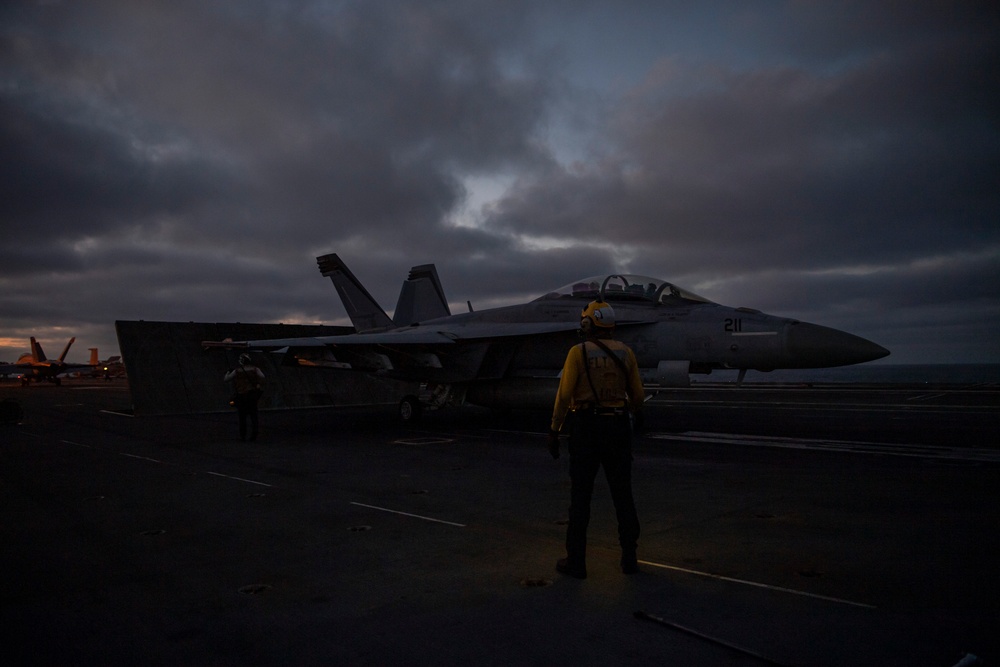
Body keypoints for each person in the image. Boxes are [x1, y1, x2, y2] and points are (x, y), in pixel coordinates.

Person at [548, 300, 645, 579]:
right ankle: (630, 557)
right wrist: (635, 412)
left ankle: (576, 562)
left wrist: (554, 430)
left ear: (587, 324)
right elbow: (637, 396)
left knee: (580, 498)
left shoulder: (577, 352)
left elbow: (564, 396)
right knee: (623, 494)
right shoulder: (626, 353)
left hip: (586, 428)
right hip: (617, 428)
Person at [224, 353, 265, 441]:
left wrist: (228, 372)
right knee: (254, 415)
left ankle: (243, 435)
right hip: (252, 395)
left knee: (242, 417)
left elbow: (226, 379)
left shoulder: (237, 371)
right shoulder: (255, 369)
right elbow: (262, 376)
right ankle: (254, 433)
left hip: (241, 395)